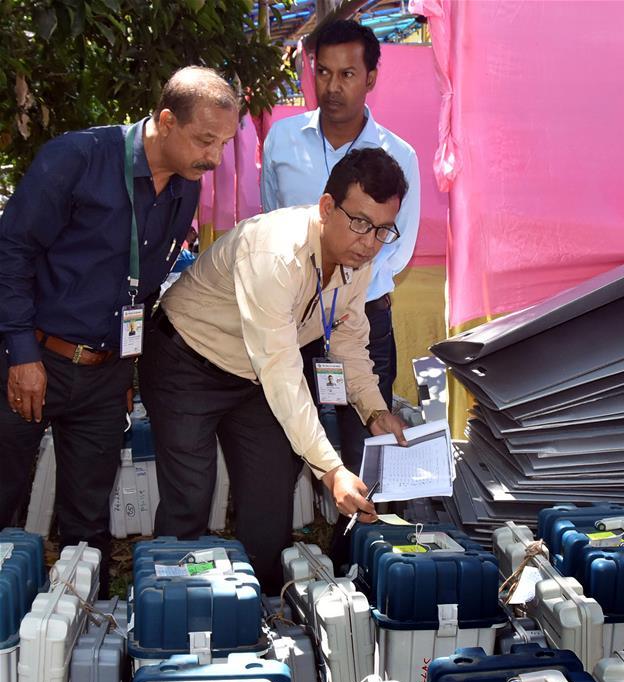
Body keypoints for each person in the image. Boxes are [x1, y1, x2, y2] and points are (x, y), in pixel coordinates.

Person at [0, 66, 239, 597]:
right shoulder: (78, 158)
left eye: (224, 143)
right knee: (3, 498)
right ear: (166, 120)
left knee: (87, 524)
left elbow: (144, 288)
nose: (214, 157)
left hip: (104, 376)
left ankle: (85, 633)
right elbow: (12, 251)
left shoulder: (184, 190)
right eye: (205, 140)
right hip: (33, 357)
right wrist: (20, 354)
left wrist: (126, 367)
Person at [139, 148, 409, 592]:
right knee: (190, 496)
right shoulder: (274, 253)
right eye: (360, 223)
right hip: (185, 362)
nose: (369, 241)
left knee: (269, 498)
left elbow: (348, 338)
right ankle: (170, 609)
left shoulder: (359, 258)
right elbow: (283, 372)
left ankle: (264, 609)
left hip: (253, 379)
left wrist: (373, 408)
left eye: (383, 230)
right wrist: (330, 469)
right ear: (326, 207)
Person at [261, 19, 421, 475]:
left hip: (362, 318)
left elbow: (398, 243)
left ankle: (356, 544)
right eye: (324, 73)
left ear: (370, 78)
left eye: (347, 74)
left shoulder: (399, 155)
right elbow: (272, 221)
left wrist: (346, 285)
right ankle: (289, 539)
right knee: (283, 439)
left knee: (365, 445)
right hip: (293, 316)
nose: (333, 87)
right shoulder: (282, 141)